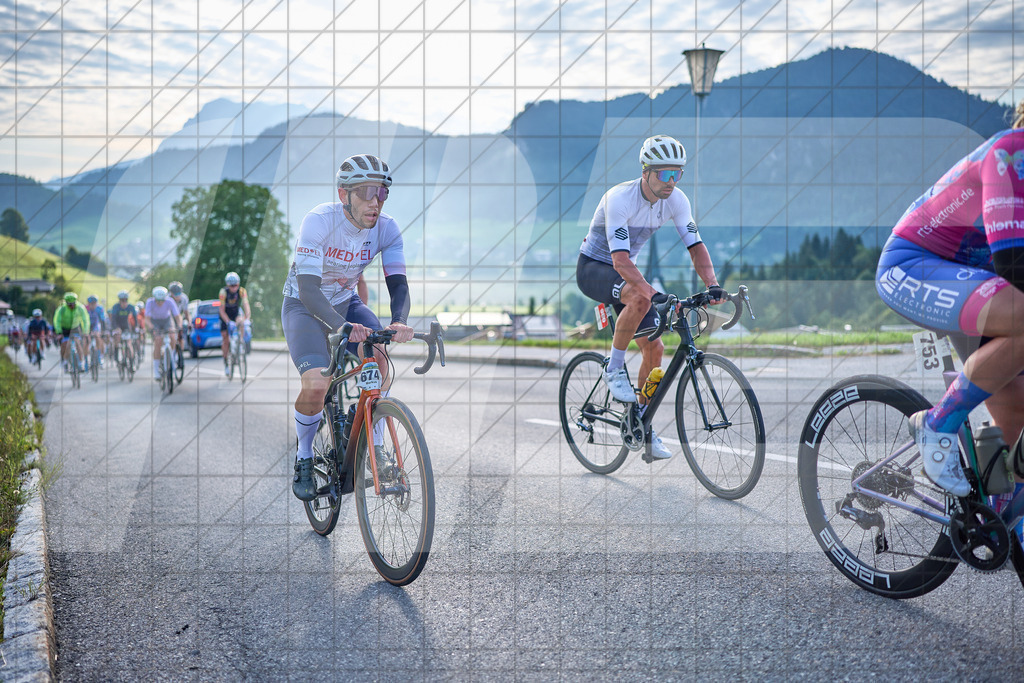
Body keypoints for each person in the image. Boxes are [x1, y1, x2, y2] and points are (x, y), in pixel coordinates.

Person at [876, 100, 1024, 503]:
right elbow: (1014, 260)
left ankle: (1006, 519)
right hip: (914, 265)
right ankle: (936, 424)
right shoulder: (1010, 151)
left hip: (982, 285)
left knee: (1015, 409)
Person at [576, 134, 726, 460]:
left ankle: (642, 422)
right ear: (646, 171)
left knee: (655, 349)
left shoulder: (676, 200)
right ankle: (613, 369)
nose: (672, 181)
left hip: (627, 274)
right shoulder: (619, 199)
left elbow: (695, 246)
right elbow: (619, 261)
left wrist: (713, 284)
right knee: (642, 299)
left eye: (678, 173)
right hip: (595, 268)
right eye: (664, 174)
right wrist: (652, 292)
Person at [281, 153, 412, 501]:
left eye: (382, 193)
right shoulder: (319, 221)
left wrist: (399, 321)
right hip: (304, 307)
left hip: (345, 302)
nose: (375, 202)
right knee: (317, 385)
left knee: (380, 359)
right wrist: (343, 327)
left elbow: (398, 284)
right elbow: (309, 290)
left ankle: (374, 439)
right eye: (367, 192)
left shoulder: (387, 228)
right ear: (344, 195)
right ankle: (305, 456)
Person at [144, 286, 182, 381]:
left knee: (172, 336)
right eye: (158, 301)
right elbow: (147, 319)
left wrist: (179, 326)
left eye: (162, 301)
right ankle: (156, 370)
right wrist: (152, 328)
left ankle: (172, 357)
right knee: (158, 341)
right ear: (154, 298)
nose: (160, 303)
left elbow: (177, 316)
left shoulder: (169, 301)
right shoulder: (150, 302)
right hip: (155, 321)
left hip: (166, 320)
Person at [219, 272, 251, 376]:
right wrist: (228, 321)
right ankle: (226, 363)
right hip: (225, 315)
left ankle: (240, 342)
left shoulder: (241, 291)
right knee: (225, 339)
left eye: (236, 285)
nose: (234, 287)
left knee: (241, 322)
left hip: (235, 313)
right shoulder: (223, 292)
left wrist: (247, 317)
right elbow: (221, 310)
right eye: (232, 285)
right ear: (228, 285)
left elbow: (246, 305)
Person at [53, 292, 90, 373]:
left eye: (73, 304)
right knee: (65, 344)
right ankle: (65, 361)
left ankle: (81, 363)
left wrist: (86, 331)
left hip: (76, 328)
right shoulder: (62, 309)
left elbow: (85, 320)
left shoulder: (80, 307)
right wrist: (59, 332)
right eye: (69, 305)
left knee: (77, 343)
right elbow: (57, 321)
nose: (72, 306)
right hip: (65, 329)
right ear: (66, 303)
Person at [109, 290, 138, 367]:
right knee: (117, 338)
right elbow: (113, 319)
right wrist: (116, 328)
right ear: (119, 300)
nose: (124, 302)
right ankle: (116, 357)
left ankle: (132, 362)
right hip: (118, 326)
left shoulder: (131, 307)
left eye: (125, 300)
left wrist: (136, 328)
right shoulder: (116, 307)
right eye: (122, 300)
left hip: (127, 326)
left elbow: (135, 318)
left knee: (129, 343)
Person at [168, 281, 190, 359]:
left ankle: (180, 354)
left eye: (179, 293)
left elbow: (186, 313)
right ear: (171, 293)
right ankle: (171, 353)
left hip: (179, 316)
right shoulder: (167, 299)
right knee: (171, 335)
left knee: (181, 334)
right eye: (175, 294)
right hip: (169, 317)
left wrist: (189, 322)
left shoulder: (184, 298)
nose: (177, 296)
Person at [85, 295, 107, 368]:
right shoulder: (85, 309)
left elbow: (102, 320)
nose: (93, 305)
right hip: (87, 326)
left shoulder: (99, 308)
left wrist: (103, 331)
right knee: (86, 341)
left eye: (94, 303)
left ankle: (99, 357)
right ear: (88, 303)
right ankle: (85, 361)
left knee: (98, 337)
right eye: (91, 303)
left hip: (96, 326)